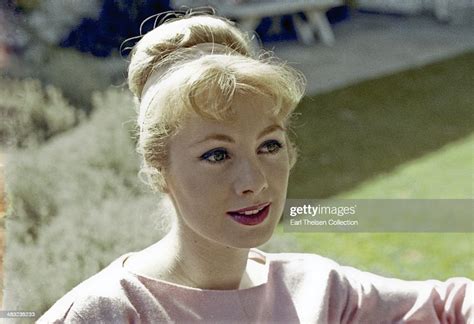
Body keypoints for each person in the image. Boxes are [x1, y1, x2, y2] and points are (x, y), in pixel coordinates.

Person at [38, 10, 472, 324]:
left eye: (269, 145)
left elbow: (455, 304)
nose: (255, 181)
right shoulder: (105, 313)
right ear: (159, 170)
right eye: (216, 154)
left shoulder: (320, 292)